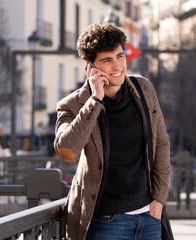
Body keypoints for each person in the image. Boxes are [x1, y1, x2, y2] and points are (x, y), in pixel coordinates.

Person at [54, 22, 170, 240]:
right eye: (107, 60)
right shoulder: (72, 105)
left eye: (120, 56)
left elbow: (162, 143)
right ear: (90, 67)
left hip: (149, 218)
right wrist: (95, 100)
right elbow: (66, 151)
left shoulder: (144, 89)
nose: (117, 66)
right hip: (106, 223)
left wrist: (159, 200)